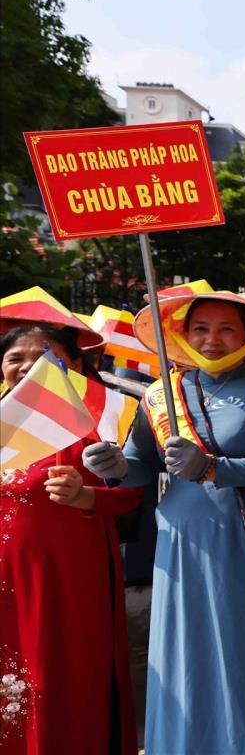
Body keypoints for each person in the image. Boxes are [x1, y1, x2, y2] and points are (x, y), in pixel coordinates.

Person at [83, 289, 245, 755]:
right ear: (182, 334)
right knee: (184, 647)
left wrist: (214, 467)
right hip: (179, 539)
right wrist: (114, 465)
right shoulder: (160, 395)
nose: (212, 339)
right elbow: (140, 463)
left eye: (226, 328)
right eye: (201, 329)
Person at [0, 290, 139, 755]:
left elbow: (135, 492)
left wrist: (87, 496)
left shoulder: (103, 415)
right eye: (15, 358)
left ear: (73, 364)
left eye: (44, 356)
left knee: (65, 671)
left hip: (68, 574)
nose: (27, 366)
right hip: (5, 576)